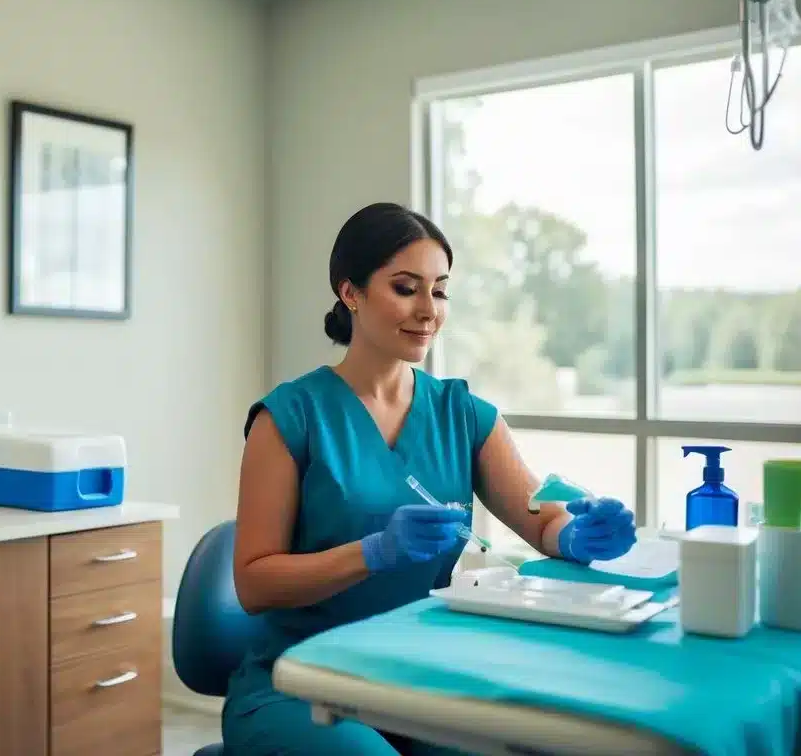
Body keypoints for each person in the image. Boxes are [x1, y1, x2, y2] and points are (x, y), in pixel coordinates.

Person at [222, 202, 637, 755]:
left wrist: (575, 535)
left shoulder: (463, 414)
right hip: (300, 682)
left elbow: (540, 521)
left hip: (419, 680)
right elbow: (253, 584)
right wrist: (373, 551)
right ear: (351, 293)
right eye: (405, 287)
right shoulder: (290, 418)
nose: (428, 310)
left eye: (439, 291)